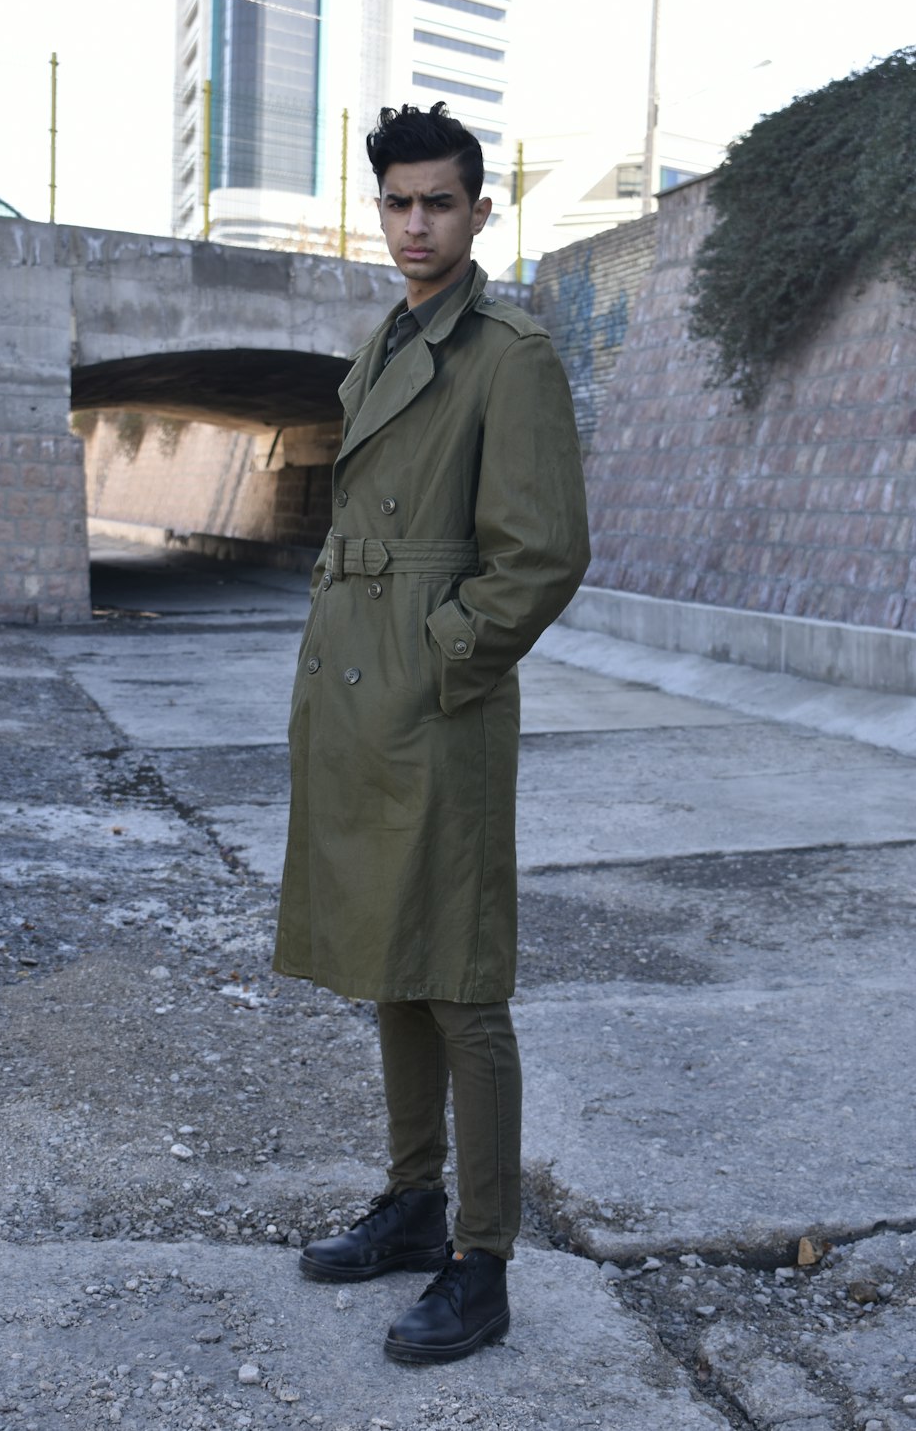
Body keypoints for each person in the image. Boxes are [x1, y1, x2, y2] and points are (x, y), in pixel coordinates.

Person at [273, 101, 589, 1363]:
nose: (414, 225)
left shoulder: (506, 355)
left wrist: (440, 660)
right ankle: (410, 1205)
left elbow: (542, 555)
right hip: (356, 699)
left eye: (438, 203)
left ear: (478, 210)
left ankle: (484, 1259)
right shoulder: (394, 332)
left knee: (462, 984)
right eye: (397, 203)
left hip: (433, 705)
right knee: (389, 961)